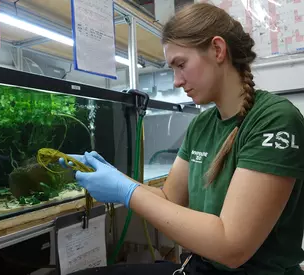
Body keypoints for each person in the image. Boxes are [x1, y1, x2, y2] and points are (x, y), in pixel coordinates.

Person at [60, 2, 304, 275]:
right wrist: (114, 176)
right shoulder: (201, 124)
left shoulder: (274, 120)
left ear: (218, 50)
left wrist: (126, 192)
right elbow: (169, 198)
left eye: (181, 64)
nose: (176, 81)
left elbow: (231, 247)